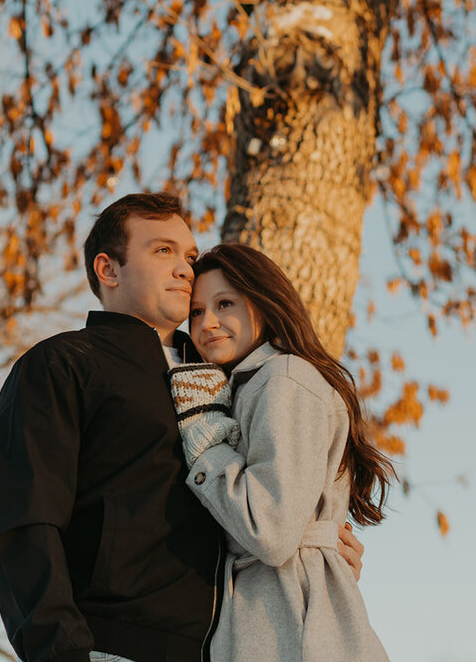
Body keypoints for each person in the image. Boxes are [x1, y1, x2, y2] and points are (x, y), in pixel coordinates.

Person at [0, 192, 365, 662]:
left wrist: (322, 545)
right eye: (162, 250)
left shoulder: (232, 378)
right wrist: (63, 653)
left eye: (188, 255)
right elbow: (25, 526)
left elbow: (270, 503)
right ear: (108, 270)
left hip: (234, 647)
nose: (186, 267)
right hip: (112, 646)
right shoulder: (61, 365)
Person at [169, 242, 395, 662]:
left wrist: (205, 441)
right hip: (274, 613)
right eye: (196, 312)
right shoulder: (248, 386)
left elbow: (271, 532)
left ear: (264, 304)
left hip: (289, 622)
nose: (208, 323)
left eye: (225, 303)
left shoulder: (284, 378)